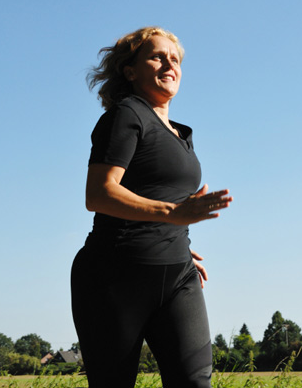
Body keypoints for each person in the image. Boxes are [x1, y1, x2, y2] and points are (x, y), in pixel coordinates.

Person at [71, 26, 232, 388]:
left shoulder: (181, 134)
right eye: (157, 56)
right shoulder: (126, 114)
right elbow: (98, 194)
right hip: (115, 275)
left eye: (175, 59)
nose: (169, 63)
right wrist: (171, 215)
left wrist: (177, 240)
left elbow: (158, 193)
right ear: (130, 71)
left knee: (194, 383)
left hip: (177, 274)